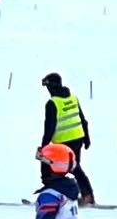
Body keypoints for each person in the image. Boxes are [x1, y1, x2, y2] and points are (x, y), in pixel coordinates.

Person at [40, 70, 95, 201]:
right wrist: (86, 137)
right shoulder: (72, 97)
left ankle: (52, 196)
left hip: (62, 144)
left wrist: (44, 148)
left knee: (48, 167)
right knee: (75, 168)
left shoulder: (52, 103)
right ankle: (88, 196)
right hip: (77, 139)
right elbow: (82, 119)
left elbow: (49, 127)